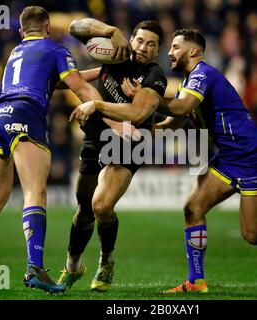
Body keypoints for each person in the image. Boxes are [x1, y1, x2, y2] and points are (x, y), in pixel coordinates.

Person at [121, 29, 257, 293]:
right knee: (193, 209)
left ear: (193, 51)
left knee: (254, 235)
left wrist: (148, 97)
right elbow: (176, 119)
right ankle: (196, 281)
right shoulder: (188, 82)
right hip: (229, 158)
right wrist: (152, 128)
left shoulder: (203, 75)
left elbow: (182, 107)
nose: (170, 52)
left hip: (253, 158)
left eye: (175, 47)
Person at [0, 6, 105, 293]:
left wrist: (100, 71)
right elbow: (79, 89)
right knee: (35, 192)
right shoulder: (55, 49)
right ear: (48, 27)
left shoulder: (15, 52)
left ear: (23, 31)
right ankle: (34, 268)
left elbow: (53, 81)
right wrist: (109, 117)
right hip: (25, 115)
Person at [57, 19, 167, 291]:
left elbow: (138, 114)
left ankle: (106, 261)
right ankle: (73, 265)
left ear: (157, 50)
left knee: (102, 207)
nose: (143, 47)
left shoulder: (155, 76)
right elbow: (75, 28)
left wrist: (95, 104)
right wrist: (111, 31)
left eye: (151, 44)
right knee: (84, 211)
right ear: (131, 38)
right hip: (96, 138)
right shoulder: (115, 54)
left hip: (129, 143)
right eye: (140, 40)